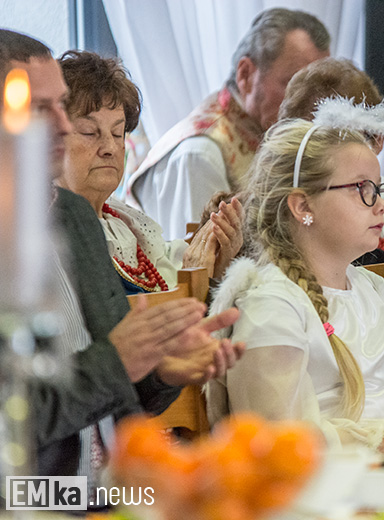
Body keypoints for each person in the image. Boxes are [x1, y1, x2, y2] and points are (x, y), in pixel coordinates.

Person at [0, 30, 245, 482]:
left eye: (61, 105)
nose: (61, 123)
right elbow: (14, 421)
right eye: (41, 108)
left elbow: (117, 397)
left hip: (107, 490)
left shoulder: (74, 215)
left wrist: (161, 372)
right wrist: (120, 361)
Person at [207, 118, 384, 454]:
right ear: (303, 206)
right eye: (362, 189)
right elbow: (275, 446)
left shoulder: (373, 290)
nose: (381, 204)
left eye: (379, 189)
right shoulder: (272, 307)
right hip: (322, 490)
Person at [126, 8, 330, 240]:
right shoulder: (199, 154)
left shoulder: (272, 133)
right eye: (294, 83)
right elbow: (193, 266)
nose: (312, 103)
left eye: (318, 89)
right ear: (246, 74)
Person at [56, 50, 243, 293]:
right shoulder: (52, 239)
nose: (110, 148)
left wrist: (217, 264)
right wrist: (196, 281)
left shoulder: (129, 227)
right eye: (90, 133)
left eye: (117, 133)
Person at [278, 57, 384, 259]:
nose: (355, 152)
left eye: (366, 137)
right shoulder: (289, 220)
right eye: (324, 141)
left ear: (378, 139)